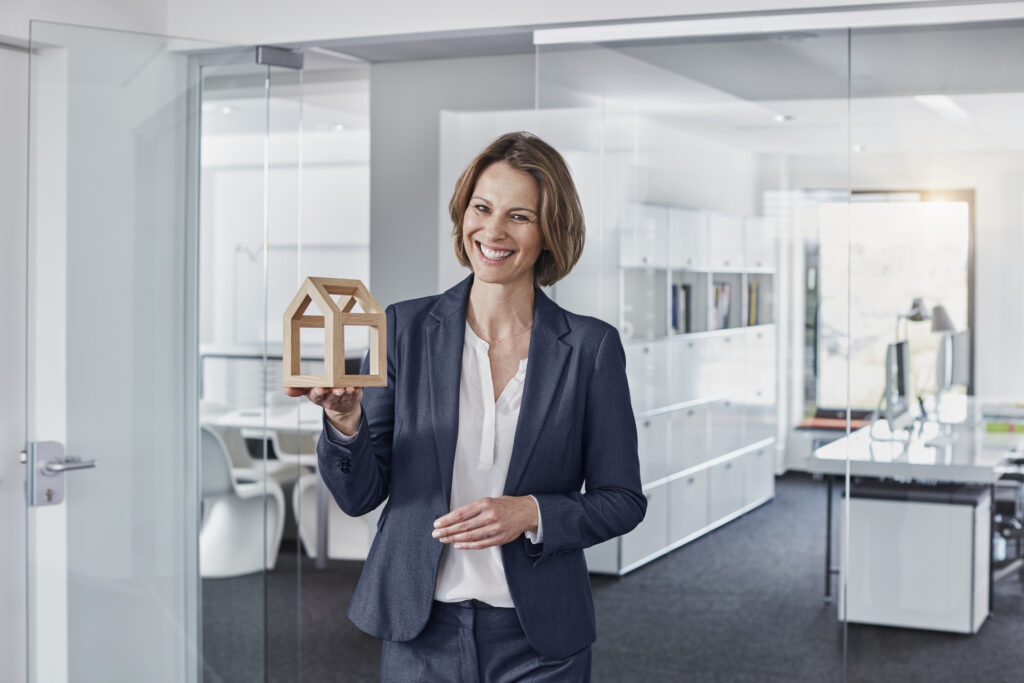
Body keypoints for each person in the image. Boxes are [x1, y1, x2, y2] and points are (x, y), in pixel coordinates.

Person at [286, 131, 646, 682]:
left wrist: (532, 512)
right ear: (463, 214)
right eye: (482, 207)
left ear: (550, 232)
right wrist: (344, 421)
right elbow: (359, 495)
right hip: (421, 627)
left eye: (519, 216)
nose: (493, 231)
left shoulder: (590, 348)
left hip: (540, 637)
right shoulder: (403, 329)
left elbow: (622, 499)